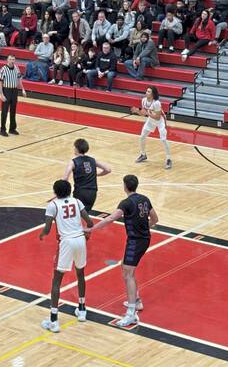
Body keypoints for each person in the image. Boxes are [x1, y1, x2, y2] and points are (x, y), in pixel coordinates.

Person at [84, 174, 158, 326]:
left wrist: (92, 228)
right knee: (124, 267)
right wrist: (145, 229)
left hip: (136, 241)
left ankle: (131, 314)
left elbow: (111, 218)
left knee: (128, 273)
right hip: (142, 239)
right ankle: (136, 301)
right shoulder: (144, 198)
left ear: (125, 186)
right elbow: (155, 219)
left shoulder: (126, 203)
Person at [39, 179, 94, 332]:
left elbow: (48, 229)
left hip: (67, 242)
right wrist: (86, 234)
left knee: (56, 280)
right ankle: (82, 310)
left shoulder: (53, 205)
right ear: (69, 190)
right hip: (80, 240)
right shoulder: (77, 201)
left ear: (55, 192)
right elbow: (90, 223)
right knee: (80, 274)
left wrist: (42, 234)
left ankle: (54, 320)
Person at [62, 138, 111, 212]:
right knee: (85, 214)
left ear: (76, 149)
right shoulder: (92, 160)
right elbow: (108, 169)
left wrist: (59, 192)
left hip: (80, 192)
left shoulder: (73, 162)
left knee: (76, 215)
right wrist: (96, 174)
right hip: (93, 193)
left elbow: (65, 178)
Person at [132, 86, 172, 169]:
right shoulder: (143, 100)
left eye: (149, 91)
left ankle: (169, 159)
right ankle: (143, 154)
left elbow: (157, 117)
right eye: (146, 91)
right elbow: (144, 113)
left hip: (160, 121)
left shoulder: (157, 103)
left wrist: (147, 113)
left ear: (153, 94)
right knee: (142, 137)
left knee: (163, 139)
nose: (146, 92)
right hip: (151, 120)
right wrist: (137, 111)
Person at [0, 54, 26, 136]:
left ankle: (12, 128)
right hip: (6, 90)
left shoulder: (17, 68)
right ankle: (2, 129)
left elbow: (19, 79)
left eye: (13, 59)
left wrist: (23, 89)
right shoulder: (3, 69)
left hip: (14, 91)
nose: (12, 61)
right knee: (4, 111)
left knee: (13, 110)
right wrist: (1, 94)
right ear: (7, 60)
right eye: (10, 59)